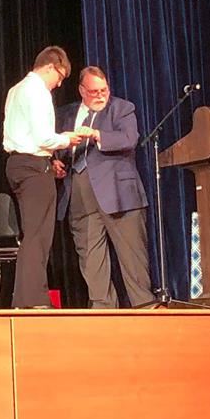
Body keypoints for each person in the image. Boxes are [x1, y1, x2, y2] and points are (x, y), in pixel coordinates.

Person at [52, 66, 154, 308]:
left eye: (104, 90)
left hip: (117, 193)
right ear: (81, 90)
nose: (100, 95)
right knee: (90, 255)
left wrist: (97, 134)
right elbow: (55, 146)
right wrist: (54, 161)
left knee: (131, 253)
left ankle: (144, 304)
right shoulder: (65, 114)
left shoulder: (122, 108)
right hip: (78, 192)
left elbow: (129, 139)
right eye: (93, 91)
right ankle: (103, 308)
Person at [2, 46, 86, 309]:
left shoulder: (16, 89)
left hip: (20, 164)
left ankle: (25, 297)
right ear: (49, 67)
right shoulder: (37, 91)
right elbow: (42, 137)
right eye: (59, 77)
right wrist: (69, 138)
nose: (59, 84)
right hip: (32, 166)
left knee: (33, 232)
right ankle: (33, 300)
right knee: (38, 235)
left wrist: (49, 161)